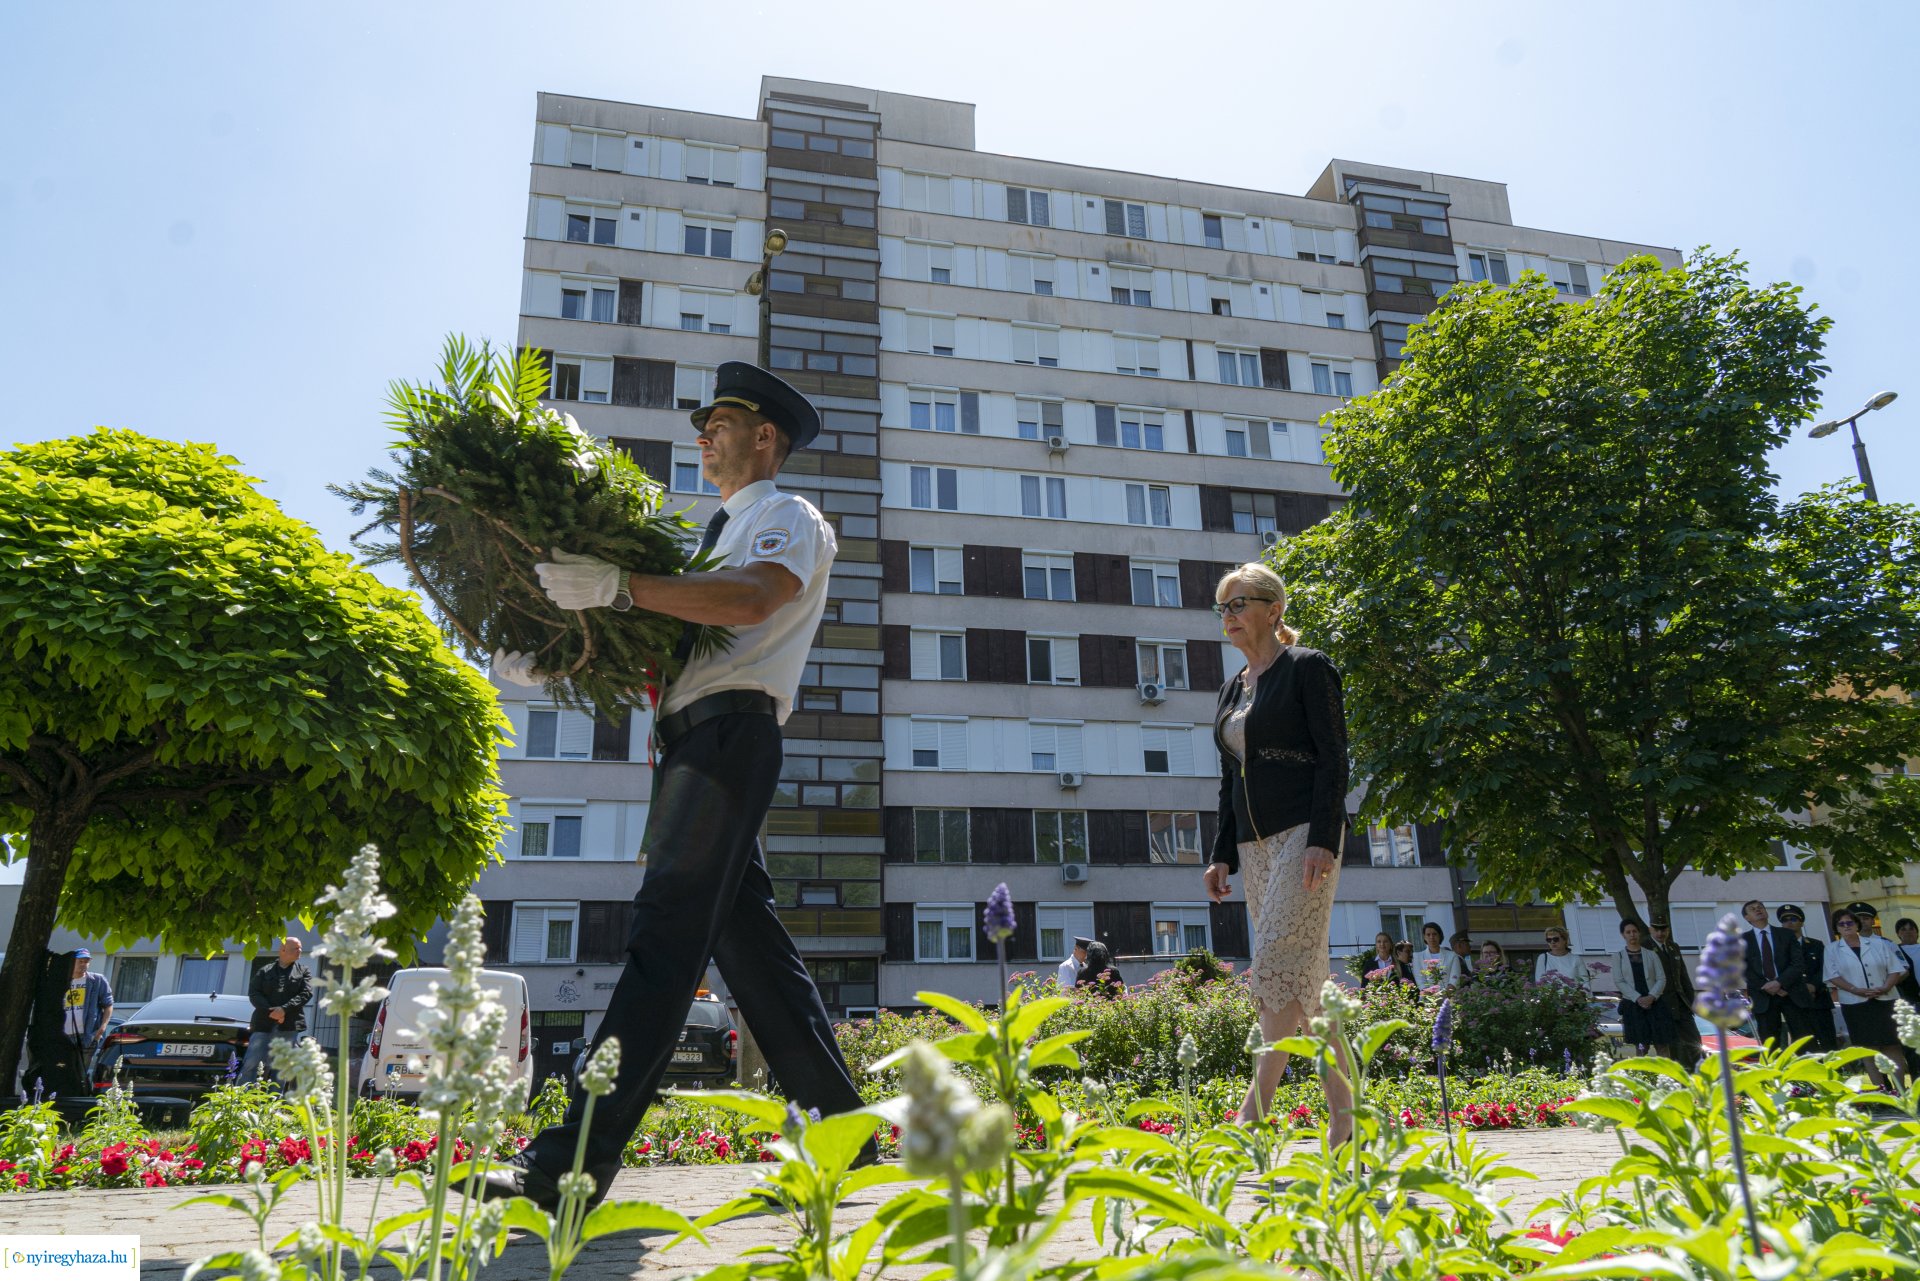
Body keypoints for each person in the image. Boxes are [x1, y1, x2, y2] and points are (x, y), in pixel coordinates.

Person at [481, 362, 867, 1211]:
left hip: (730, 737)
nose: (702, 435)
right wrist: (561, 662)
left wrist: (621, 586)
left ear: (766, 436)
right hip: (696, 742)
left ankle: (567, 1165)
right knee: (751, 953)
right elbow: (678, 647)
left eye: (718, 420)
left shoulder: (784, 516)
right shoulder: (710, 536)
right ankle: (846, 1135)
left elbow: (751, 601)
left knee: (664, 942)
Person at [1203, 562, 1350, 1140]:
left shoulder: (1308, 668)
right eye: (1224, 607)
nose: (1229, 616)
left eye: (1239, 604)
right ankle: (1347, 1116)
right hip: (1254, 844)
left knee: (1274, 965)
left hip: (1303, 835)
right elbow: (1227, 779)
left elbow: (1334, 757)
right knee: (1305, 985)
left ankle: (1251, 1113)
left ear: (1273, 609)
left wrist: (1322, 835)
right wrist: (1222, 853)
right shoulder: (1232, 687)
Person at [1824, 908, 1911, 1092]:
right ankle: (1881, 1092)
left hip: (1886, 999)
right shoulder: (1832, 949)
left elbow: (1895, 969)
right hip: (1855, 1004)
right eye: (1842, 924)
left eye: (1850, 922)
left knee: (1892, 1045)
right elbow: (1832, 975)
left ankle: (1900, 1090)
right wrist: (1857, 990)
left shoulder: (1878, 944)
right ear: (1836, 928)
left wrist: (1886, 987)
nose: (1846, 926)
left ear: (1857, 924)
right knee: (1867, 1048)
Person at [237, 937, 313, 1085]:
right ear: (283, 950)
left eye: (300, 948)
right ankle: (240, 1101)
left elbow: (306, 993)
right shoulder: (264, 971)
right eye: (296, 948)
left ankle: (274, 1105)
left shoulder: (303, 971)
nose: (300, 951)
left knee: (282, 1069)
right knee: (251, 1063)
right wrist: (271, 1012)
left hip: (289, 1026)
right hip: (262, 1025)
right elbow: (254, 993)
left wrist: (284, 1010)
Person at [1738, 899, 1806, 1051]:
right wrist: (1767, 986)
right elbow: (1743, 969)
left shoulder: (1786, 934)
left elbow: (1797, 964)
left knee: (1802, 1039)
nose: (1758, 910)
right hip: (1763, 997)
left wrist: (1780, 983)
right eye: (1752, 909)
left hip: (1790, 993)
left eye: (1760, 907)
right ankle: (1774, 1074)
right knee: (1770, 1045)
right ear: (1747, 917)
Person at [1777, 905, 1838, 1052]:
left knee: (1828, 1042)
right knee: (1803, 1045)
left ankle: (1835, 1072)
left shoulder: (1816, 945)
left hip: (1818, 1001)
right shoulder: (1778, 948)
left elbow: (1824, 968)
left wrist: (1813, 985)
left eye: (1793, 919)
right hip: (1794, 1002)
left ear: (1802, 922)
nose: (1789, 923)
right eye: (1785, 920)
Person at [1646, 918, 1703, 1069]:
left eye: (1663, 929)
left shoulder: (1673, 947)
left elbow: (1683, 976)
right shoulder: (1645, 947)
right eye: (1656, 929)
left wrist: (1691, 1001)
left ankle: (1701, 1076)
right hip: (1661, 1004)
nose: (1660, 933)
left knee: (1694, 1042)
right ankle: (1678, 1081)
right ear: (1650, 929)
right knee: (1671, 1047)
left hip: (1681, 1003)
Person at [1613, 920, 1671, 1057]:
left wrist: (1651, 997)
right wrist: (1638, 998)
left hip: (1655, 1004)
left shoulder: (1651, 954)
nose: (1632, 935)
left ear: (1639, 933)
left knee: (1662, 1043)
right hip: (1633, 1005)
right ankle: (1643, 1075)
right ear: (1623, 935)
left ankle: (1668, 1075)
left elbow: (1661, 978)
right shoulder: (1618, 957)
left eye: (1634, 931)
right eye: (1628, 932)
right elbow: (1619, 981)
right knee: (1641, 1046)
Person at [63, 949, 114, 1085]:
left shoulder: (97, 980)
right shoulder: (62, 980)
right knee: (63, 1072)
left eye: (86, 962)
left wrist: (102, 1028)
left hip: (87, 1035)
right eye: (80, 961)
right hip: (64, 1036)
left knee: (81, 1074)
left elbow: (108, 1005)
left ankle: (77, 1098)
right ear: (72, 962)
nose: (83, 964)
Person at [1533, 927, 1592, 992]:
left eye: (1556, 939)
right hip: (1552, 999)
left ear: (1564, 940)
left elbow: (1585, 982)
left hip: (1574, 999)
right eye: (1549, 940)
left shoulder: (1576, 959)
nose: (1552, 942)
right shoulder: (1543, 958)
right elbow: (1539, 982)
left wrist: (1583, 997)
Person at [1413, 921, 1463, 988]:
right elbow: (1420, 982)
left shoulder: (1452, 956)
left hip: (1449, 996)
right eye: (1428, 934)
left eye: (1434, 934)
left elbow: (1454, 980)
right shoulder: (1417, 957)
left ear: (1440, 935)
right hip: (1428, 997)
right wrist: (1433, 997)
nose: (1431, 937)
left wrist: (1444, 996)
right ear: (1424, 937)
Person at [1892, 917, 1920, 1007]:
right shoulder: (1894, 952)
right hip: (1909, 999)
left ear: (1917, 932)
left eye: (1911, 929)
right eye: (1903, 929)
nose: (1908, 932)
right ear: (1898, 933)